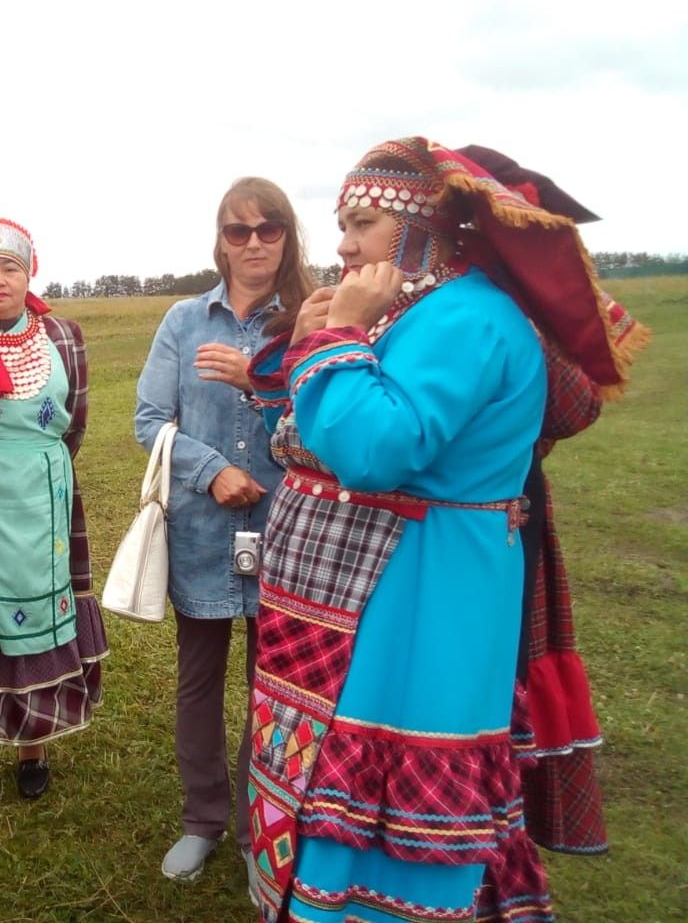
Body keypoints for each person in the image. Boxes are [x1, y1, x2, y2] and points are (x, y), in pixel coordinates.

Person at [245, 137, 637, 923]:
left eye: (360, 223)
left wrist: (332, 339)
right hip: (378, 590)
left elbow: (372, 449)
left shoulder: (469, 318)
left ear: (423, 229)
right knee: (335, 761)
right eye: (342, 224)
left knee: (393, 762)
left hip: (420, 593)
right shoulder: (416, 314)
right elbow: (311, 432)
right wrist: (326, 340)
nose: (344, 245)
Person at [454, 145, 647, 863]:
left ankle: (494, 821)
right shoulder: (460, 294)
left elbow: (571, 408)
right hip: (471, 507)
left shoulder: (511, 306)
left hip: (500, 511)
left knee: (496, 665)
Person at [134, 179, 313, 889]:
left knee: (271, 693)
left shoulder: (312, 318)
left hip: (288, 531)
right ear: (220, 239)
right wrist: (209, 472)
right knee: (199, 686)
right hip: (204, 534)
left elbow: (331, 427)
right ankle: (203, 820)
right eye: (238, 231)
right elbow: (150, 420)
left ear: (287, 236)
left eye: (268, 229)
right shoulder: (184, 321)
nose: (253, 244)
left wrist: (258, 383)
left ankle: (260, 829)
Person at [0, 217, 108, 802]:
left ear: (29, 271)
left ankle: (33, 743)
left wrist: (38, 466)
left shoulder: (64, 336)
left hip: (42, 493)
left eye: (10, 266)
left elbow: (75, 421)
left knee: (37, 613)